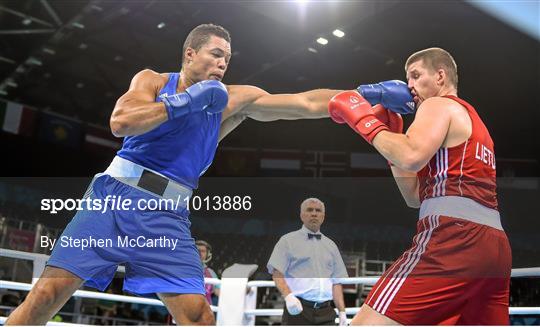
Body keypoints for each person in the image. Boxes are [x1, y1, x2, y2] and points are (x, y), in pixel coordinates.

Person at [5, 24, 413, 325]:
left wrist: (366, 94)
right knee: (46, 295)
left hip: (167, 216)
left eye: (227, 59)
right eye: (215, 54)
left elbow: (304, 102)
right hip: (113, 198)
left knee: (199, 315)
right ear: (189, 54)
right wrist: (183, 103)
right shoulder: (152, 80)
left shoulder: (232, 99)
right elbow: (121, 122)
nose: (222, 63)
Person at [328, 47, 511, 325]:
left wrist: (362, 119)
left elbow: (410, 155)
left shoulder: (437, 105)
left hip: (454, 238)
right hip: (494, 249)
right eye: (407, 78)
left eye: (415, 75)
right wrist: (393, 141)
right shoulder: (476, 124)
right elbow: (415, 195)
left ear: (440, 76)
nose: (409, 85)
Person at [267, 198, 348, 326]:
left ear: (323, 216)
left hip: (326, 312)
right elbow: (277, 273)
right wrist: (288, 296)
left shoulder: (331, 246)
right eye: (310, 210)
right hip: (298, 310)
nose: (314, 213)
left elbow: (336, 282)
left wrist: (342, 311)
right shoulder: (287, 241)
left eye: (318, 210)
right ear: (302, 215)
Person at [195, 240, 220, 305]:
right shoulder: (183, 269)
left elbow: (218, 291)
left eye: (203, 251)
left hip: (205, 309)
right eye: (197, 250)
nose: (200, 253)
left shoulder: (211, 272)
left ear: (207, 254)